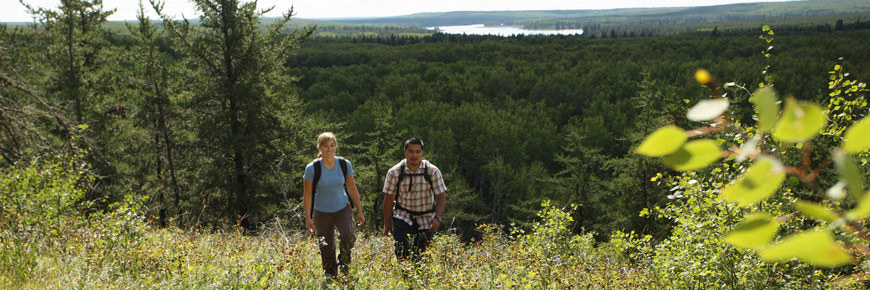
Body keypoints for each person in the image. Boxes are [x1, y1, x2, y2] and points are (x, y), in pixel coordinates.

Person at [303, 132, 365, 276]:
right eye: (325, 146)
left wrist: (360, 211)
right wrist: (308, 217)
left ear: (336, 146)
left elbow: (352, 188)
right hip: (321, 211)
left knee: (348, 235)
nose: (329, 150)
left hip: (342, 208)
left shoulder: (344, 164)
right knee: (326, 247)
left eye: (332, 146)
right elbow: (307, 194)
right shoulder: (312, 168)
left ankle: (344, 267)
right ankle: (331, 277)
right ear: (319, 147)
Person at [382, 138, 447, 261]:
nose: (414, 155)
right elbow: (389, 198)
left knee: (422, 256)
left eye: (418, 152)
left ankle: (419, 278)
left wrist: (437, 218)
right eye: (411, 151)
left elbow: (441, 197)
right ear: (405, 152)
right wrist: (387, 223)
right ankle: (405, 276)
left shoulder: (432, 171)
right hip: (403, 214)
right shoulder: (394, 172)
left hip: (426, 217)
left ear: (422, 153)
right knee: (402, 247)